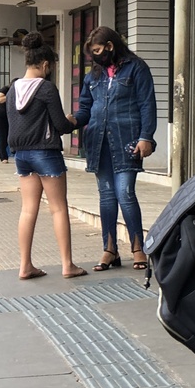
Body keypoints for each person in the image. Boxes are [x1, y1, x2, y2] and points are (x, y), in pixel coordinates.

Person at [74, 26, 157, 271]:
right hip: (98, 142)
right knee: (107, 196)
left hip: (128, 141)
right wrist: (71, 121)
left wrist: (146, 137)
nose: (95, 57)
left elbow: (147, 105)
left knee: (125, 193)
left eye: (98, 51)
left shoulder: (137, 67)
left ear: (110, 46)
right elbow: (85, 109)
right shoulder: (94, 75)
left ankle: (138, 248)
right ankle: (110, 250)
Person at [5, 32, 86, 280]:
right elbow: (60, 125)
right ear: (46, 65)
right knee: (58, 209)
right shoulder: (46, 88)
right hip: (46, 154)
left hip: (21, 156)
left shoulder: (12, 89)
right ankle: (67, 265)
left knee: (28, 210)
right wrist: (73, 121)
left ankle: (25, 266)